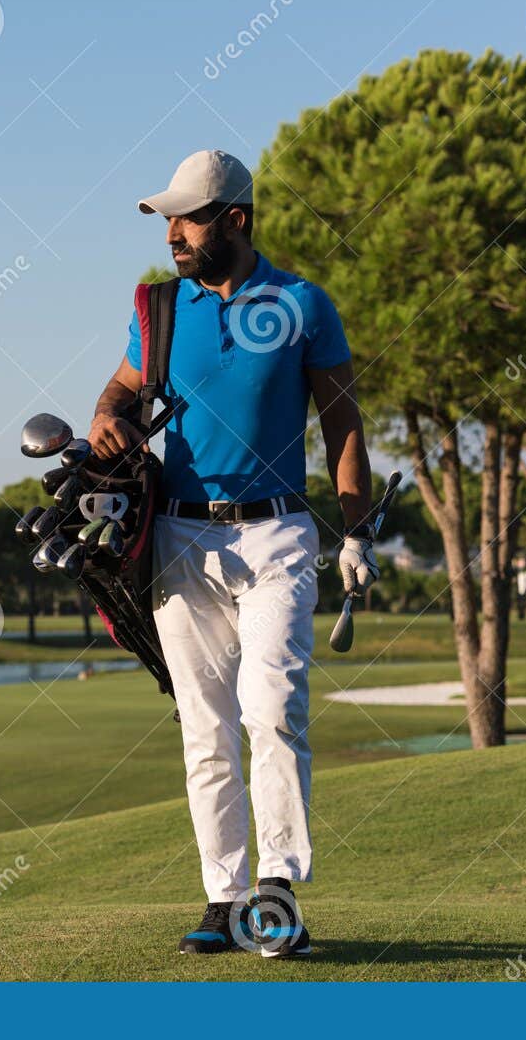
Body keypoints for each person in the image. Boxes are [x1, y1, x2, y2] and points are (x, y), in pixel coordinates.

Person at [88, 149, 377, 958]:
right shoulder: (161, 310)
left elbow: (343, 424)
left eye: (188, 217)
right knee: (205, 730)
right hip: (179, 537)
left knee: (272, 710)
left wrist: (356, 530)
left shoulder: (303, 305)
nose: (173, 233)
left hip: (276, 533)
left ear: (236, 220)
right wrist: (109, 415)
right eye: (168, 220)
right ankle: (224, 898)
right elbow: (120, 387)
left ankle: (276, 890)